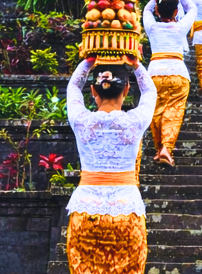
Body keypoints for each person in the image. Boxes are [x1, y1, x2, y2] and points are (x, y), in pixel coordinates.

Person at [64, 55, 158, 274]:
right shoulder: (135, 121)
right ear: (126, 90)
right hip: (127, 211)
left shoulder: (80, 120)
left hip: (85, 210)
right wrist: (136, 64)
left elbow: (73, 87)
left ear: (94, 92)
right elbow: (150, 92)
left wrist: (88, 61)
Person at [143, 0, 197, 167]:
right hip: (178, 74)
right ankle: (166, 148)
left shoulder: (152, 27)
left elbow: (146, 11)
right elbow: (192, 10)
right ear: (176, 12)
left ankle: (161, 149)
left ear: (157, 11)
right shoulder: (180, 27)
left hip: (154, 74)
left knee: (156, 112)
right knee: (173, 112)